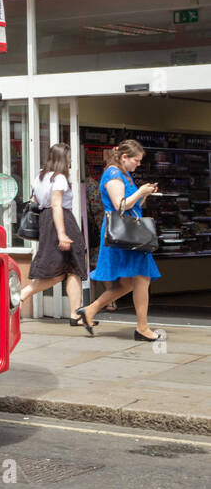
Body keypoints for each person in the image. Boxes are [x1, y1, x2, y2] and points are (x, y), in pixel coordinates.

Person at [76, 139, 163, 340]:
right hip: (125, 233)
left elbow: (132, 205)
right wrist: (140, 191)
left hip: (128, 233)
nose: (138, 164)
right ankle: (142, 328)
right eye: (136, 160)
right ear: (124, 157)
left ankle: (89, 311)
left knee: (127, 283)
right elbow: (120, 206)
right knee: (142, 277)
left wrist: (145, 194)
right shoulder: (113, 174)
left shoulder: (123, 174)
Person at [18, 142, 87, 321]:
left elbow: (35, 200)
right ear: (63, 159)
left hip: (46, 220)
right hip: (61, 220)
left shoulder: (40, 177)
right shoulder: (60, 178)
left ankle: (75, 314)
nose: (71, 160)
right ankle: (23, 293)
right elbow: (57, 205)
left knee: (69, 269)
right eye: (70, 157)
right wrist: (62, 233)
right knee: (69, 269)